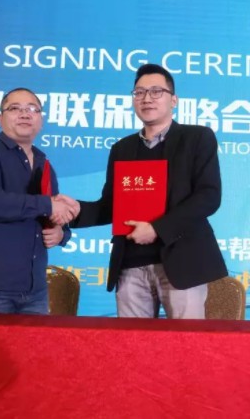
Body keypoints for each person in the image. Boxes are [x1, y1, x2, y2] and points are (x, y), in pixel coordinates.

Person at [66, 63, 227, 319]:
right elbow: (111, 205)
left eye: (156, 91)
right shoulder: (122, 149)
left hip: (183, 263)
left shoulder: (197, 138)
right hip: (130, 265)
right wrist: (73, 211)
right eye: (139, 93)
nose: (147, 98)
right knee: (133, 342)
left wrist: (157, 229)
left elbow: (208, 196)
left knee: (185, 341)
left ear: (173, 100)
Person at [0, 87, 79, 314]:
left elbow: (50, 216)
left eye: (32, 109)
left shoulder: (44, 164)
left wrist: (61, 233)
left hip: (35, 288)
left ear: (41, 120)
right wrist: (47, 205)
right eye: (15, 108)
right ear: (0, 118)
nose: (24, 114)